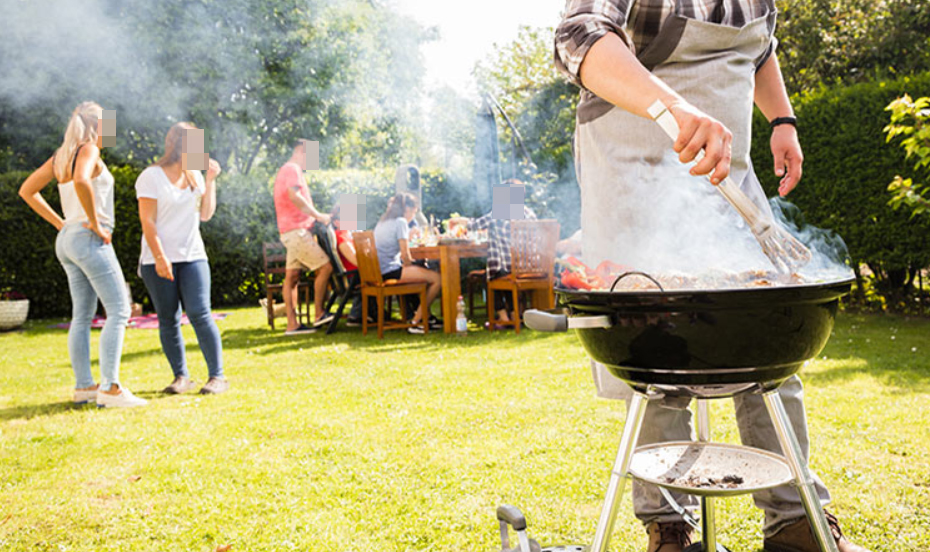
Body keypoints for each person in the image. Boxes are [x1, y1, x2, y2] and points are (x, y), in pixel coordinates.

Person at [555, 1, 869, 552]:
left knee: (770, 329)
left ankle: (796, 522)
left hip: (729, 174)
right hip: (635, 170)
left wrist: (783, 119)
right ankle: (669, 527)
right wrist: (674, 108)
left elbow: (761, 48)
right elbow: (578, 36)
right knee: (657, 350)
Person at [18, 102, 145, 408]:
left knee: (82, 316)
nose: (111, 131)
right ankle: (110, 389)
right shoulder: (88, 150)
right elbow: (81, 181)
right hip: (88, 238)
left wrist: (61, 224)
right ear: (97, 126)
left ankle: (84, 388)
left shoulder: (61, 156)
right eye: (109, 125)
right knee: (119, 310)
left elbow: (26, 191)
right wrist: (97, 223)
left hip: (68, 240)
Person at [136, 122, 228, 396]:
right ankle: (181, 377)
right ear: (179, 146)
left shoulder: (195, 177)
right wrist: (161, 257)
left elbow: (206, 215)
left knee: (200, 313)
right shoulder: (151, 177)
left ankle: (217, 377)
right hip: (157, 259)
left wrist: (210, 180)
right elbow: (147, 221)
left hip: (193, 257)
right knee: (168, 318)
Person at [448, 180, 537, 328]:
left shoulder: (500, 213)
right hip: (530, 267)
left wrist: (457, 221)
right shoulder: (529, 213)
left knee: (491, 276)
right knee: (502, 273)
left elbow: (474, 225)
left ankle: (503, 318)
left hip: (510, 269)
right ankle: (515, 315)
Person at [273, 142, 334, 335]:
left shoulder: (286, 169)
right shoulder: (292, 169)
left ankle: (293, 325)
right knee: (326, 267)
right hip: (296, 231)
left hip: (289, 231)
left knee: (291, 278)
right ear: (301, 151)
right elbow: (295, 196)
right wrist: (318, 216)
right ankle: (319, 314)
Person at [372, 193, 441, 333]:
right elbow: (405, 254)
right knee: (437, 279)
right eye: (414, 212)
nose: (413, 216)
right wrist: (411, 266)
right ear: (407, 209)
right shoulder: (401, 221)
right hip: (390, 271)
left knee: (421, 272)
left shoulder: (383, 221)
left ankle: (425, 318)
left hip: (379, 270)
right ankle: (416, 322)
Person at [329, 205, 364, 326]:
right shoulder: (341, 236)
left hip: (355, 275)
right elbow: (356, 261)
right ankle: (356, 315)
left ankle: (368, 312)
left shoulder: (347, 235)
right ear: (337, 222)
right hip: (353, 277)